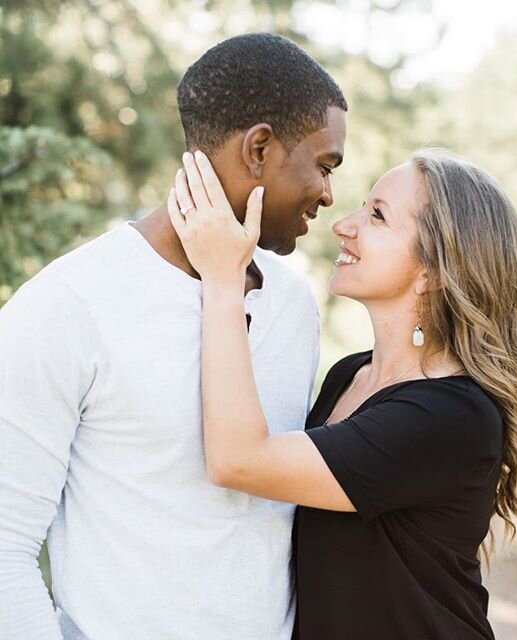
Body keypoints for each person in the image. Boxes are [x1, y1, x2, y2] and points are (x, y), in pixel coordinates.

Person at [0, 33, 346, 639]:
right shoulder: (70, 304)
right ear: (259, 148)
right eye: (323, 165)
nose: (329, 194)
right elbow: (4, 547)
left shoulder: (294, 307)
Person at [168, 147, 517, 639]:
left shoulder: (453, 416)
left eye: (377, 216)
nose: (344, 224)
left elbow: (238, 460)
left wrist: (222, 277)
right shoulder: (350, 375)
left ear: (434, 271)